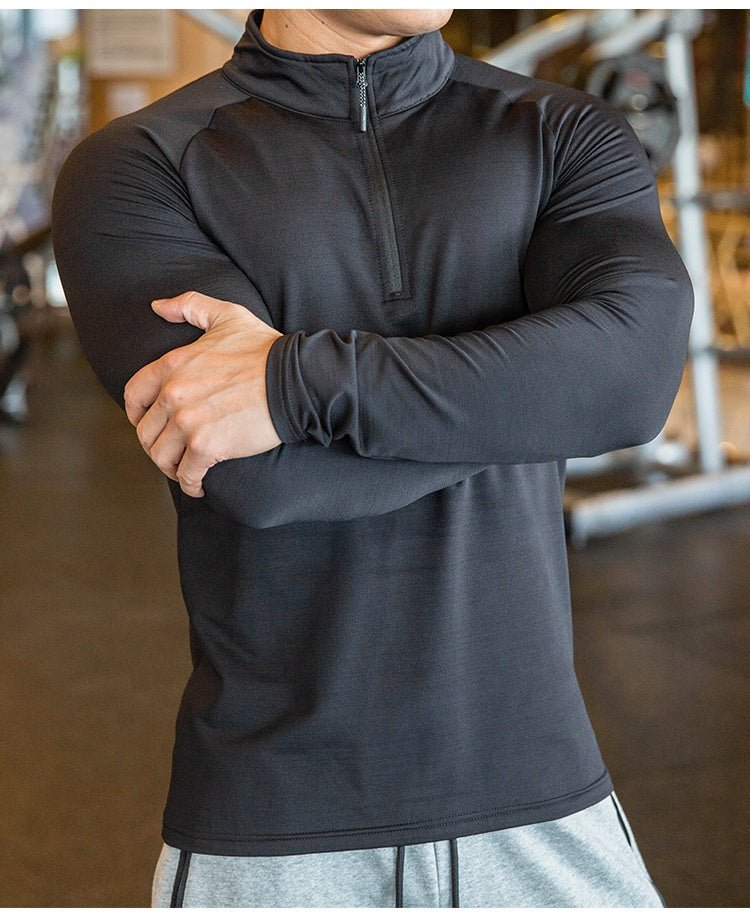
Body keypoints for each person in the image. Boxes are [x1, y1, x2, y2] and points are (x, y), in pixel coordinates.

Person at [51, 8, 693, 908]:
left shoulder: (561, 132)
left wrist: (291, 383)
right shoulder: (143, 164)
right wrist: (531, 393)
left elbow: (629, 383)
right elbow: (258, 475)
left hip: (545, 798)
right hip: (274, 835)